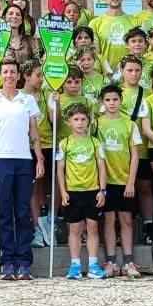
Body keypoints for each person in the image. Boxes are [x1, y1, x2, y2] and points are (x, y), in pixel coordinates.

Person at [0, 60, 43, 281]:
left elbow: (34, 133)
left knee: (23, 212)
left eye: (12, 71)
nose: (9, 75)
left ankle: (24, 263)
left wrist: (40, 158)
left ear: (18, 75)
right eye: (5, 71)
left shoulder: (28, 100)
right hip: (0, 160)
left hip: (24, 160)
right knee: (5, 213)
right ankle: (7, 262)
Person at [56, 103, 107, 280]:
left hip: (92, 191)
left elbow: (101, 167)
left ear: (89, 121)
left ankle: (93, 264)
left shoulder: (95, 142)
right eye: (76, 119)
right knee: (75, 229)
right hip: (73, 191)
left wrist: (102, 190)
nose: (80, 123)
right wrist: (63, 192)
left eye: (83, 119)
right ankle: (75, 265)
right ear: (69, 122)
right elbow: (60, 169)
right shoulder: (65, 144)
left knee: (93, 228)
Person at [94, 84, 141, 278]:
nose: (112, 103)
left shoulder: (130, 124)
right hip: (105, 181)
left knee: (126, 220)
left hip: (124, 180)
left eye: (115, 99)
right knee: (109, 220)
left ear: (121, 101)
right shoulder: (96, 124)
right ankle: (111, 261)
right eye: (108, 100)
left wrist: (131, 182)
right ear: (102, 102)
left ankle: (129, 261)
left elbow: (135, 155)